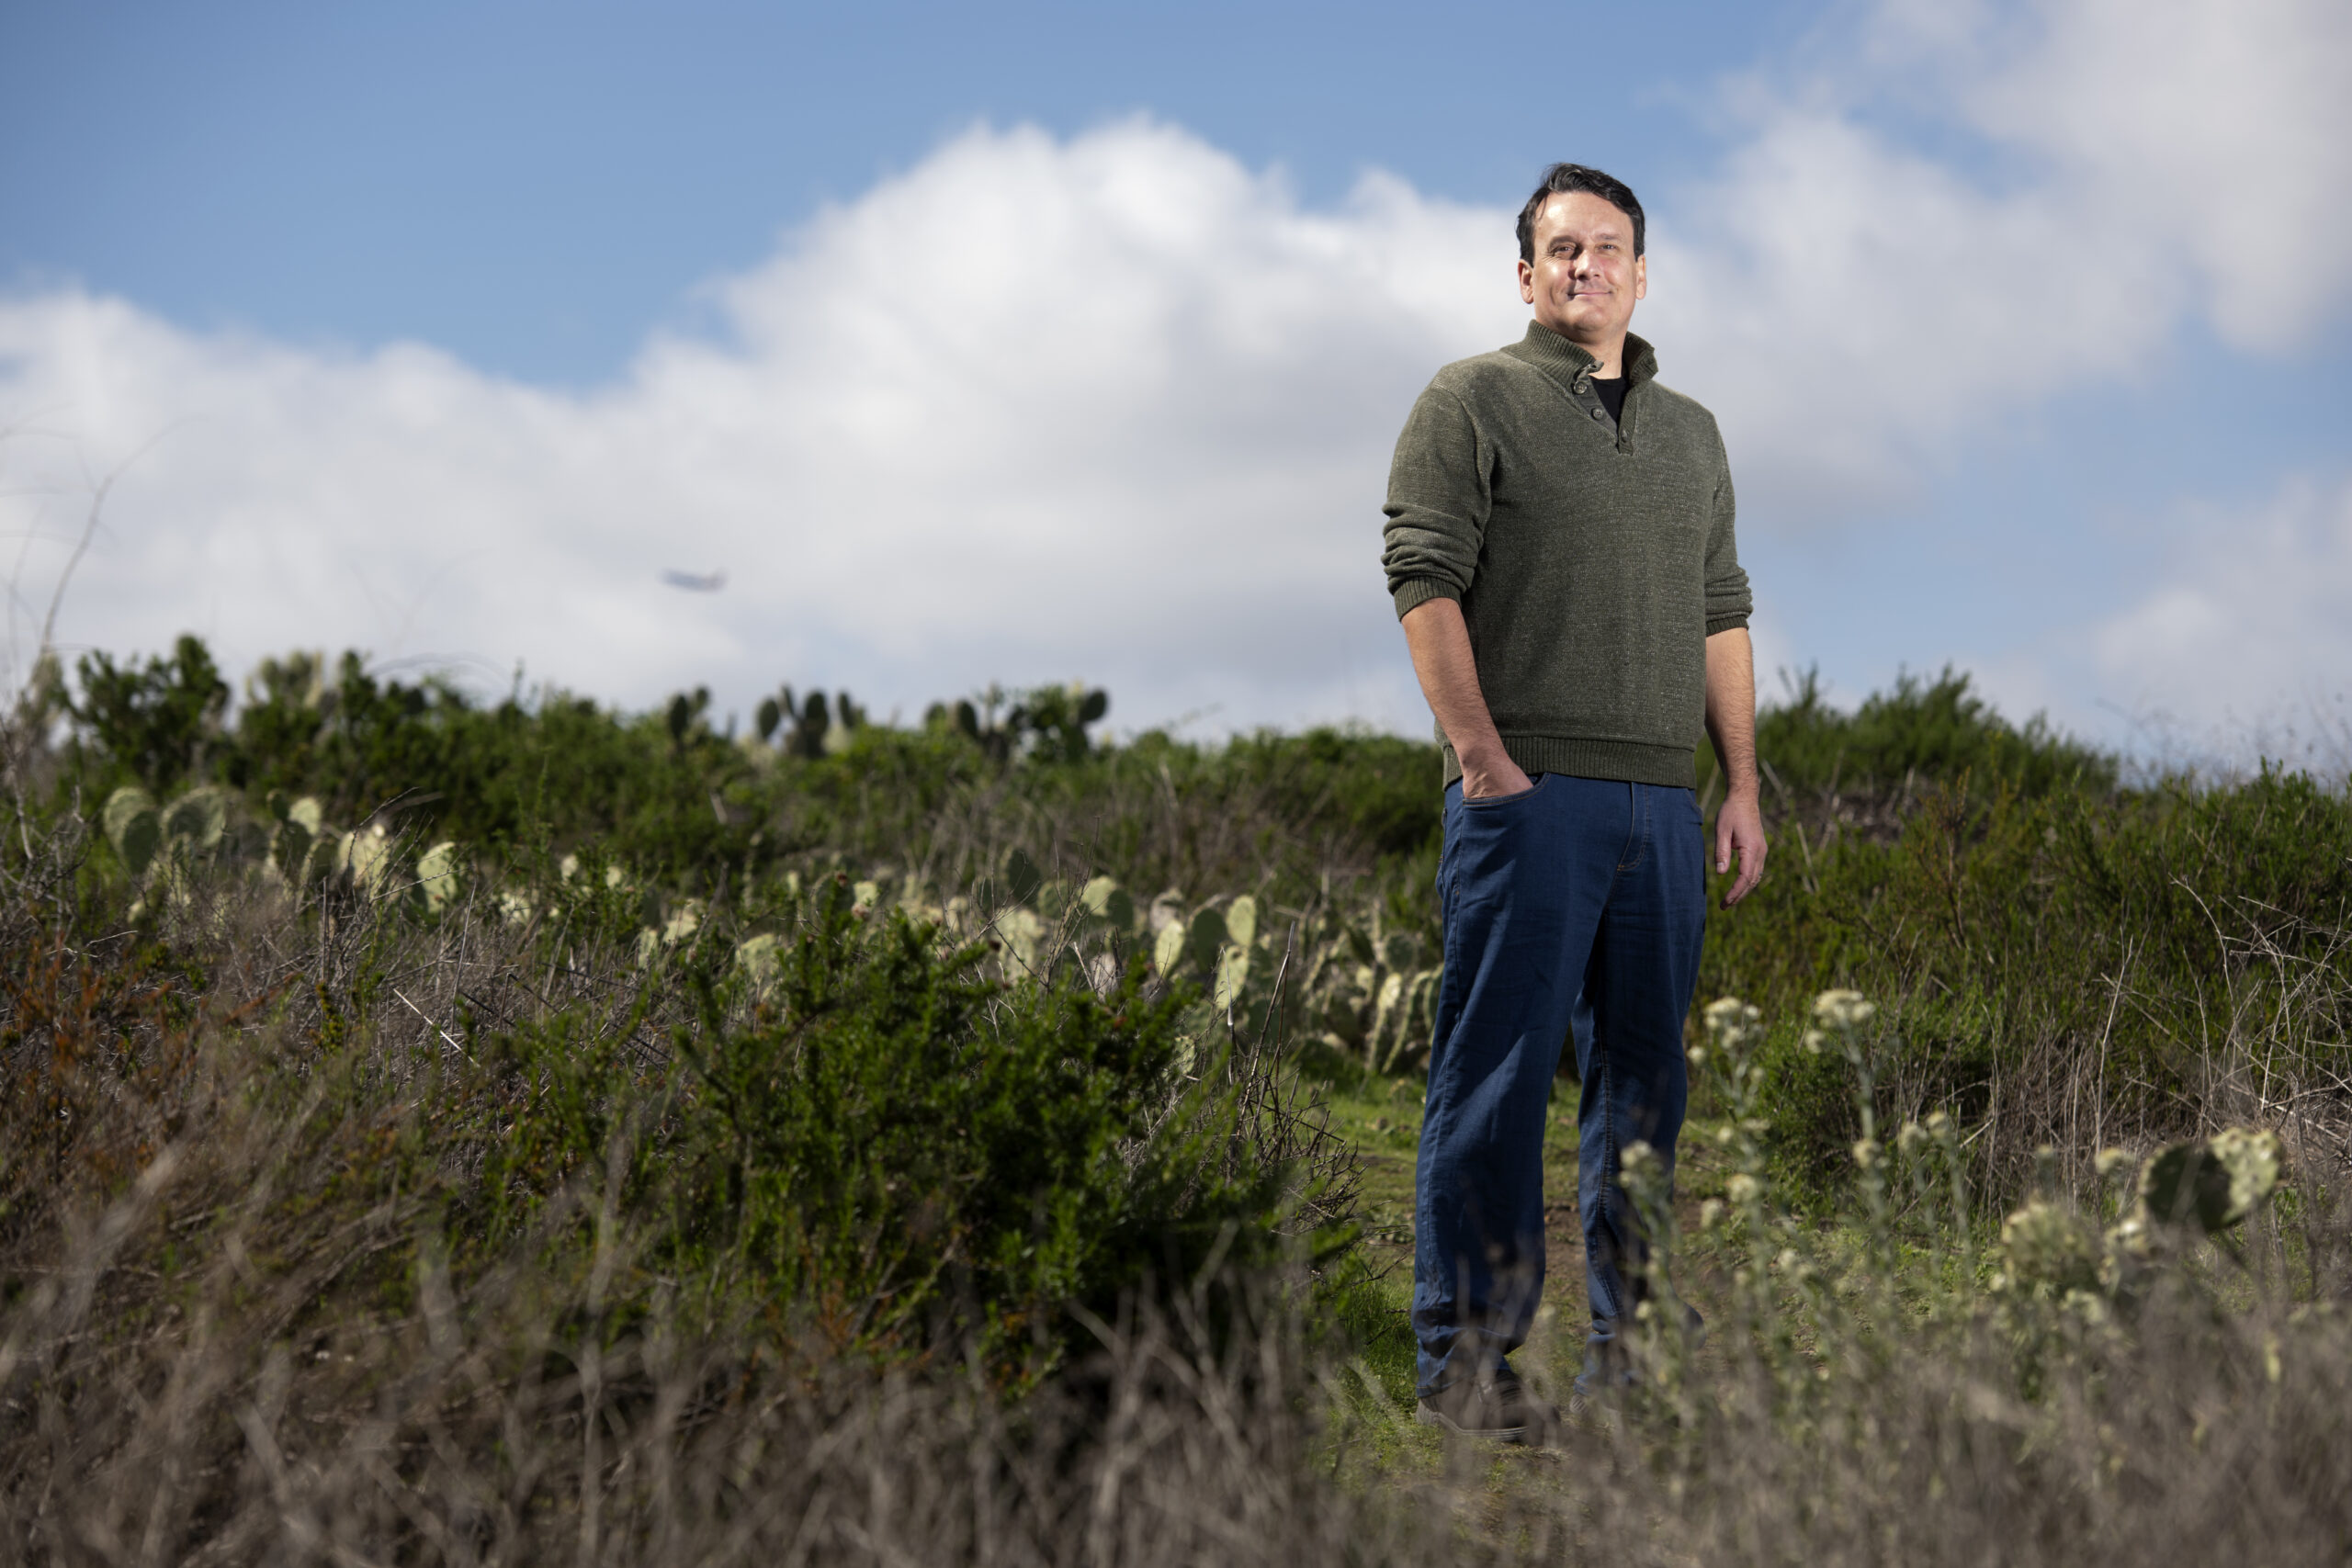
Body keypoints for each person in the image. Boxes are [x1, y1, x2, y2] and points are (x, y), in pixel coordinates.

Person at [1381, 162, 1768, 1441]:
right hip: (1526, 799)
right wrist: (1484, 762)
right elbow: (1422, 577)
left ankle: (1631, 1368)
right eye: (1561, 248)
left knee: (1646, 1094)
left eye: (1608, 248)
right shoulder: (1470, 400)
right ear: (1527, 272)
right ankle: (1469, 1373)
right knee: (1493, 1085)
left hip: (1665, 807)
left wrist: (1741, 785)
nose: (1585, 266)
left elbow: (1722, 614)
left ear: (1642, 273)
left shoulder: (1696, 433)